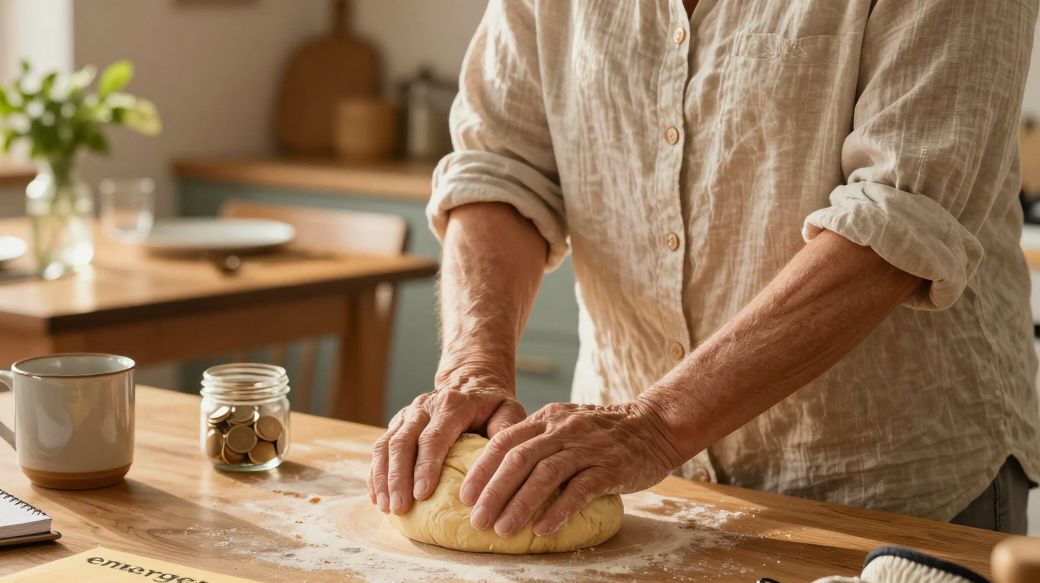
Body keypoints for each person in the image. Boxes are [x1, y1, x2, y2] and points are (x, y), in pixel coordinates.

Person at [370, 0, 1040, 535]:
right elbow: (501, 166)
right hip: (630, 488)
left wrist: (656, 426)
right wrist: (474, 369)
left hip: (889, 490)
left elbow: (898, 216)